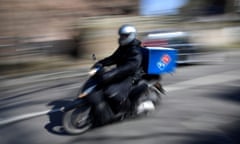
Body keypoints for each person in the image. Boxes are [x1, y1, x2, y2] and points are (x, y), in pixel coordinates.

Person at [87, 24, 143, 125]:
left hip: (131, 76)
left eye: (124, 36)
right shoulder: (123, 47)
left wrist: (111, 73)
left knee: (111, 91)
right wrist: (101, 63)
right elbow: (113, 58)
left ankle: (128, 109)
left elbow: (129, 67)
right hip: (121, 72)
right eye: (121, 35)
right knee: (101, 85)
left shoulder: (135, 51)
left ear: (131, 36)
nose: (121, 38)